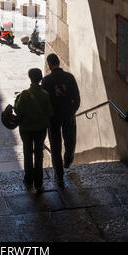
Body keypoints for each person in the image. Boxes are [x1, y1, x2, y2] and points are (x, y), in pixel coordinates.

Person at [42, 53, 80, 186]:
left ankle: (59, 175)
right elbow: (77, 98)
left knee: (55, 146)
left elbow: (44, 102)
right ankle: (68, 160)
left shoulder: (46, 81)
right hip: (68, 115)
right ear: (59, 62)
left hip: (53, 119)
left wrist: (47, 116)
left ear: (49, 64)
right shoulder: (69, 77)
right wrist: (72, 112)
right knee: (70, 141)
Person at [14, 69, 53, 193]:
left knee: (27, 153)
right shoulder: (45, 94)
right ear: (40, 78)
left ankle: (28, 179)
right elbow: (49, 112)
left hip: (26, 129)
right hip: (40, 129)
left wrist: (16, 101)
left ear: (30, 78)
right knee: (39, 155)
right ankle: (39, 182)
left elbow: (17, 109)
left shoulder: (25, 94)